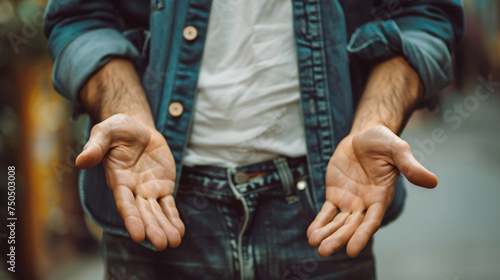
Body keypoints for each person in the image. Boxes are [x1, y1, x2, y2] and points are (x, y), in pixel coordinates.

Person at [44, 0, 464, 279]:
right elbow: (82, 16)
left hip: (326, 206)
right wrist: (125, 109)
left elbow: (424, 14)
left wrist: (376, 118)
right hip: (156, 204)